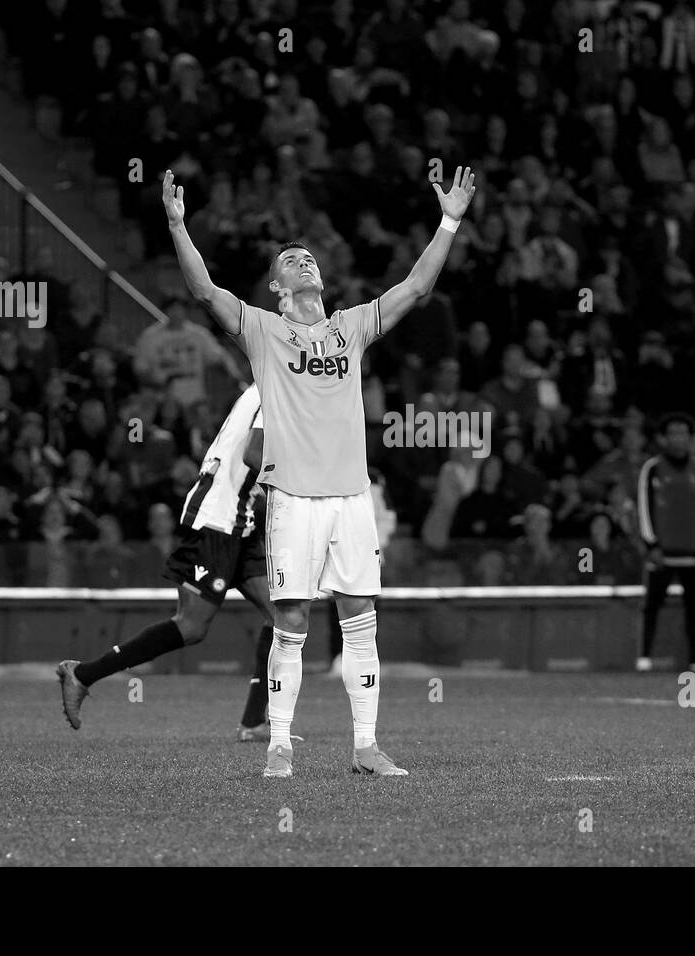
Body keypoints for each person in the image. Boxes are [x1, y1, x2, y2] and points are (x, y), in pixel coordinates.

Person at [162, 163, 477, 778]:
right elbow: (204, 293)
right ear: (276, 286)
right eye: (290, 259)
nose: (303, 262)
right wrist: (178, 227)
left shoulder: (350, 328)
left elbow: (415, 288)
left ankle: (366, 747)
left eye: (308, 257)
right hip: (293, 499)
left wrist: (449, 221)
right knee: (292, 621)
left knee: (361, 615)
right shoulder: (264, 331)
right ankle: (278, 742)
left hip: (352, 497)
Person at [57, 384, 288, 741]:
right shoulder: (276, 387)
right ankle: (83, 674)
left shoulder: (275, 383)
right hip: (218, 519)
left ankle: (253, 722)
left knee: (282, 616)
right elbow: (254, 454)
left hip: (241, 521)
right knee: (192, 627)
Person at [635, 412, 695, 670]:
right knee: (652, 606)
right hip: (663, 552)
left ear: (690, 438)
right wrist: (651, 544)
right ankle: (644, 658)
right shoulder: (652, 468)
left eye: (683, 433)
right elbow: (644, 507)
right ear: (662, 438)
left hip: (693, 552)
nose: (678, 438)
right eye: (673, 433)